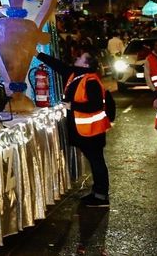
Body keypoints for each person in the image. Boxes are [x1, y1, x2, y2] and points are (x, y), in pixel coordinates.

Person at [37, 49, 115, 207]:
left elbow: (96, 105)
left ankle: (101, 196)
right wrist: (38, 55)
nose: (77, 57)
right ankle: (97, 192)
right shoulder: (76, 75)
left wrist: (72, 105)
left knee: (97, 161)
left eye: (81, 56)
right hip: (84, 131)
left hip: (91, 131)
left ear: (86, 63)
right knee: (95, 161)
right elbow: (58, 66)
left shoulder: (90, 80)